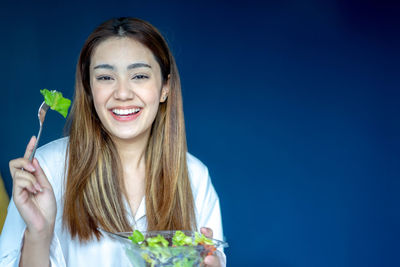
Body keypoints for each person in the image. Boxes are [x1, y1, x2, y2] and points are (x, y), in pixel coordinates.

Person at [0, 17, 225, 267]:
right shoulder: (47, 169)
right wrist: (38, 234)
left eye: (139, 76)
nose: (122, 93)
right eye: (106, 77)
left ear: (165, 87)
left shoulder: (195, 176)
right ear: (88, 88)